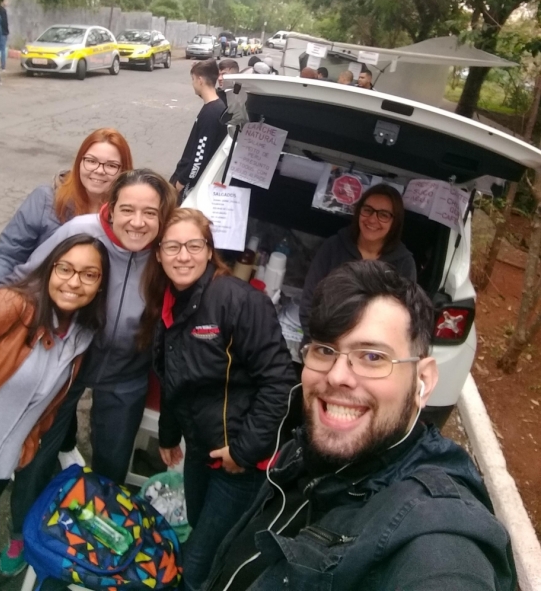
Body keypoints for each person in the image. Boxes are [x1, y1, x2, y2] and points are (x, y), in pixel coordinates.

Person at [206, 262, 516, 591]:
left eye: (371, 357)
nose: (338, 375)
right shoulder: (304, 451)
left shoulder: (436, 531)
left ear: (422, 380)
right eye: (325, 350)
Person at [0, 168, 176, 576]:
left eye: (150, 212)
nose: (138, 221)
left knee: (112, 460)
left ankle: (96, 528)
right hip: (67, 362)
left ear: (163, 217)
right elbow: (27, 278)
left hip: (129, 371)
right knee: (37, 454)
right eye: (127, 209)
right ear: (110, 210)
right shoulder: (82, 230)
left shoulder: (168, 249)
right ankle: (22, 531)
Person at [0, 128, 133, 474]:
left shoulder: (125, 213)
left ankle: (54, 443)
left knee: (61, 391)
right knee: (13, 381)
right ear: (79, 161)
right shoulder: (47, 199)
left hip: (84, 322)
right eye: (91, 160)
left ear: (124, 171)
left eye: (112, 165)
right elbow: (7, 254)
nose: (98, 170)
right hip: (38, 317)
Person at [143, 209, 297, 591]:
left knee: (197, 561)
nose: (183, 256)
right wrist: (167, 434)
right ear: (158, 253)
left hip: (240, 462)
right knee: (199, 526)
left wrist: (243, 452)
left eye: (194, 246)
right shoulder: (169, 301)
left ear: (209, 250)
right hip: (201, 447)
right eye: (172, 246)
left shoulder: (238, 301)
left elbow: (280, 383)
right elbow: (174, 377)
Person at [0, 234, 110, 591]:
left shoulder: (81, 336)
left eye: (88, 274)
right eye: (65, 268)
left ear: (101, 286)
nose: (73, 281)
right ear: (48, 270)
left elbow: (50, 400)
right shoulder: (9, 307)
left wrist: (29, 443)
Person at [299, 183, 416, 336]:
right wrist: (321, 344)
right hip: (324, 342)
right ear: (358, 212)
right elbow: (309, 301)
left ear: (395, 222)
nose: (373, 219)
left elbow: (405, 320)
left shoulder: (404, 263)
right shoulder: (333, 247)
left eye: (383, 215)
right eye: (368, 210)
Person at [170, 60, 226, 200]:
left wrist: (182, 182)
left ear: (200, 80)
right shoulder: (217, 106)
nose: (192, 83)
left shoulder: (211, 113)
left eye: (193, 79)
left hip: (189, 182)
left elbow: (199, 155)